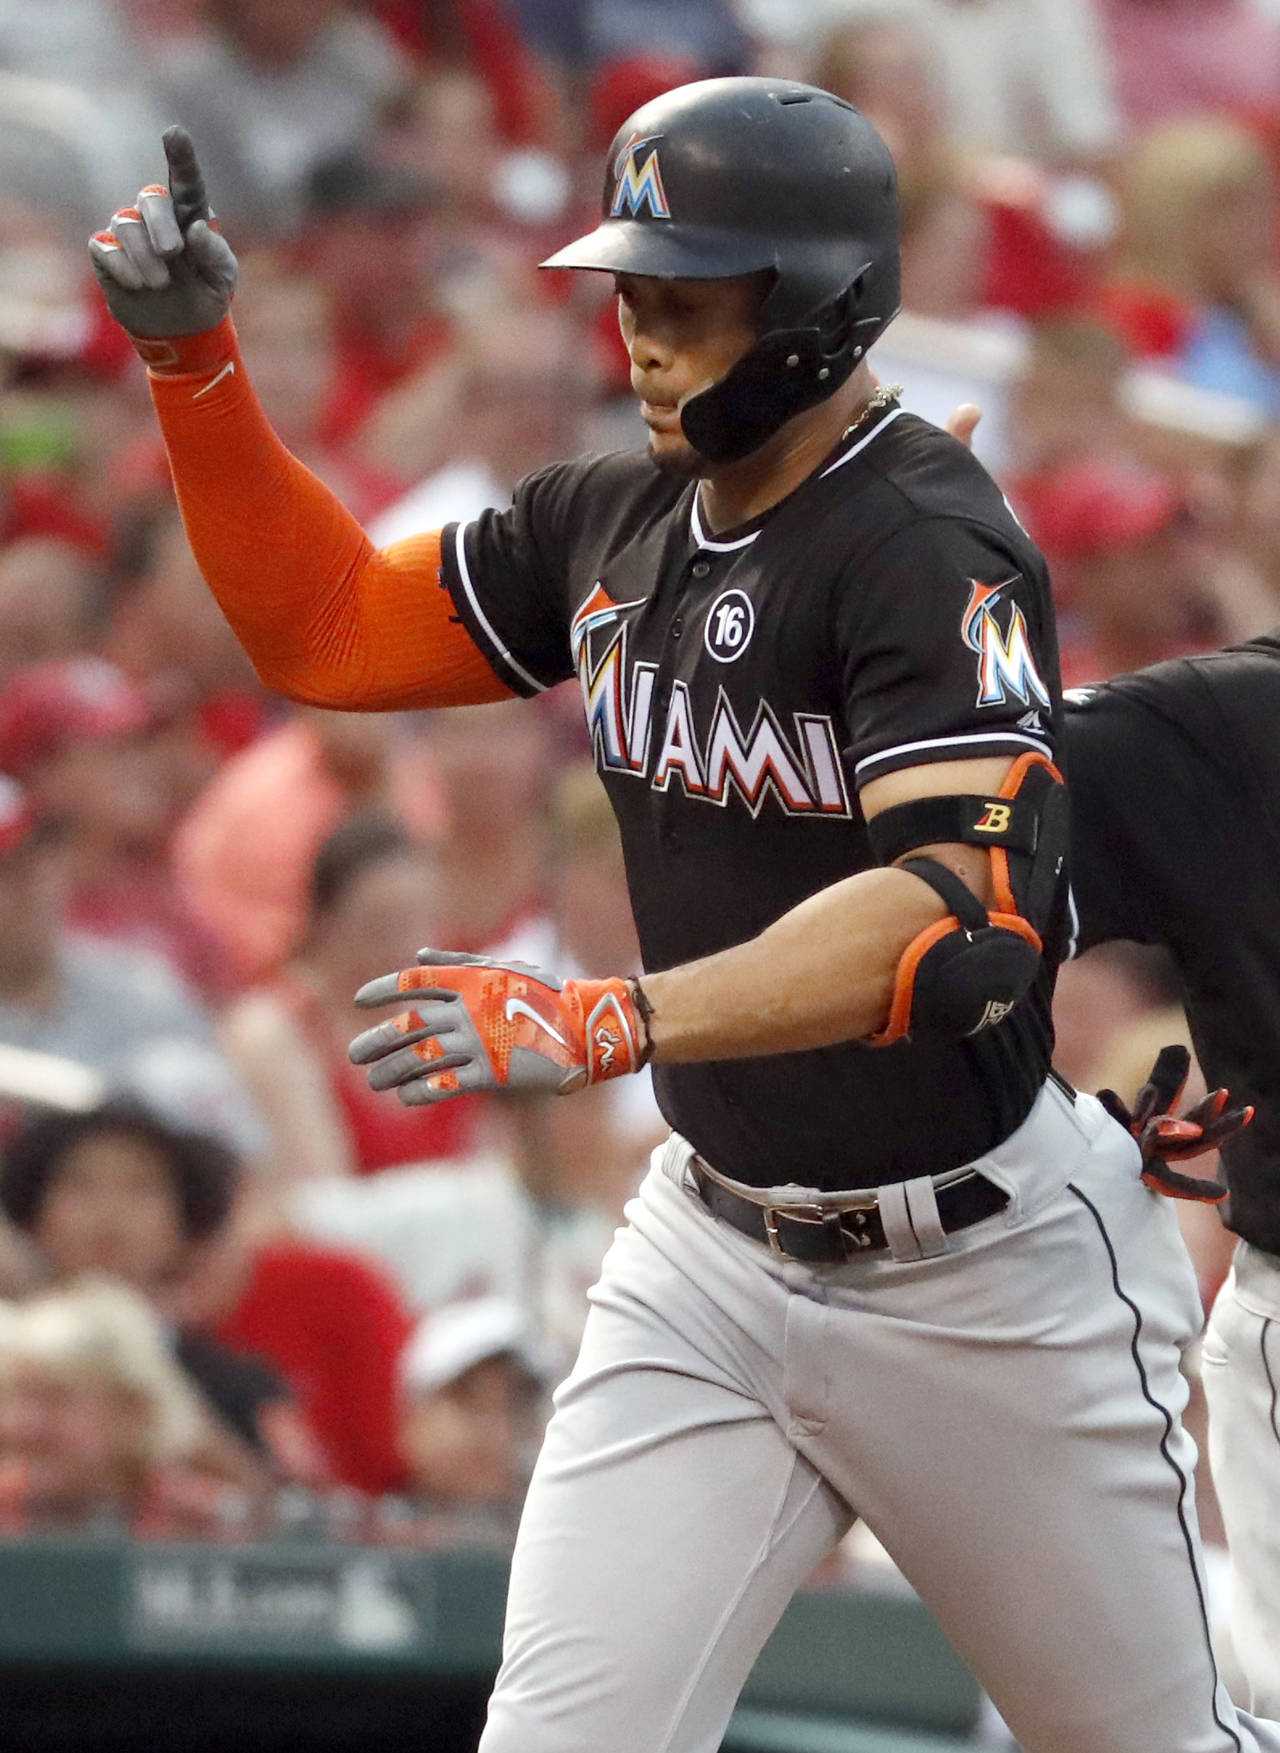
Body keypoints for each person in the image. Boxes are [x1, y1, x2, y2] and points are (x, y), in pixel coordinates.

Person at [87, 85, 1279, 1753]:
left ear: (819, 306)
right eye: (631, 292)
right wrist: (195, 370)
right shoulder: (616, 516)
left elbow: (966, 925)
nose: (641, 335)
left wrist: (614, 1016)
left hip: (983, 1273)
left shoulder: (924, 543)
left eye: (689, 298)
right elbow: (333, 631)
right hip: (709, 1256)